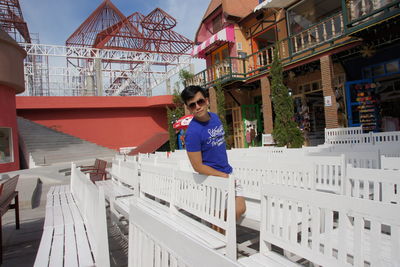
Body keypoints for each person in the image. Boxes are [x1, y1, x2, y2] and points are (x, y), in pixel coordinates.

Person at [180, 85, 246, 220]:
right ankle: (219, 235)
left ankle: (219, 228)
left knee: (240, 208)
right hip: (213, 179)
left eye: (200, 101)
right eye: (192, 105)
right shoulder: (192, 133)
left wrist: (227, 174)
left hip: (228, 172)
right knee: (220, 220)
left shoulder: (215, 118)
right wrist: (222, 176)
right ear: (188, 108)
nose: (198, 107)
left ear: (207, 101)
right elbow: (197, 166)